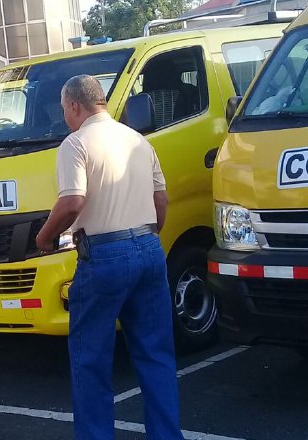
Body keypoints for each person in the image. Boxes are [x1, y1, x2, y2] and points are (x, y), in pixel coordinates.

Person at [35, 75, 183, 440]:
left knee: (91, 362)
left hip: (103, 256)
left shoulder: (75, 143)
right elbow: (160, 199)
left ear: (73, 105)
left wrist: (45, 235)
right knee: (156, 356)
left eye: (63, 108)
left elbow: (73, 202)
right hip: (148, 248)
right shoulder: (137, 140)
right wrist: (151, 232)